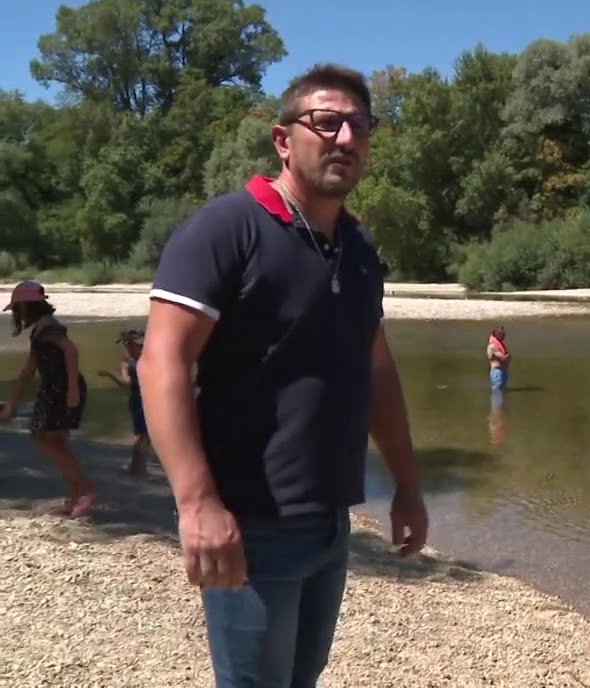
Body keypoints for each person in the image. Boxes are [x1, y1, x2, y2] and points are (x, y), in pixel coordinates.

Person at [138, 63, 428, 688]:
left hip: (331, 521)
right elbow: (161, 360)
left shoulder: (357, 248)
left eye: (359, 125)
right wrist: (197, 504)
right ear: (282, 138)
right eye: (326, 123)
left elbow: (376, 368)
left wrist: (407, 484)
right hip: (251, 524)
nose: (345, 139)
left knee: (302, 679)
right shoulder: (226, 229)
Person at [0, 280, 93, 517]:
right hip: (52, 387)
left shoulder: (48, 327)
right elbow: (29, 370)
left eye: (18, 309)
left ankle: (86, 491)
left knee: (41, 437)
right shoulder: (40, 329)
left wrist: (71, 388)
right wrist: (12, 404)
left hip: (60, 388)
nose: (17, 315)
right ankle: (74, 499)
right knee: (58, 442)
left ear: (27, 307)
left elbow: (71, 350)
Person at [98, 327, 150, 476]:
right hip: (138, 399)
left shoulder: (149, 354)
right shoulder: (128, 360)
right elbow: (126, 384)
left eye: (129, 343)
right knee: (144, 435)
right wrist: (110, 374)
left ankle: (138, 468)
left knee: (146, 436)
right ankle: (138, 469)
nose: (127, 346)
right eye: (126, 343)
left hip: (150, 398)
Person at [487, 326, 511, 391]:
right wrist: (507, 357)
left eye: (503, 334)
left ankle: (502, 401)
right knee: (498, 390)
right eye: (501, 334)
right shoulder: (492, 346)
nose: (503, 336)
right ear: (496, 334)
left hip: (502, 371)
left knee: (502, 390)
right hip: (497, 371)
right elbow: (502, 357)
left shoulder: (499, 345)